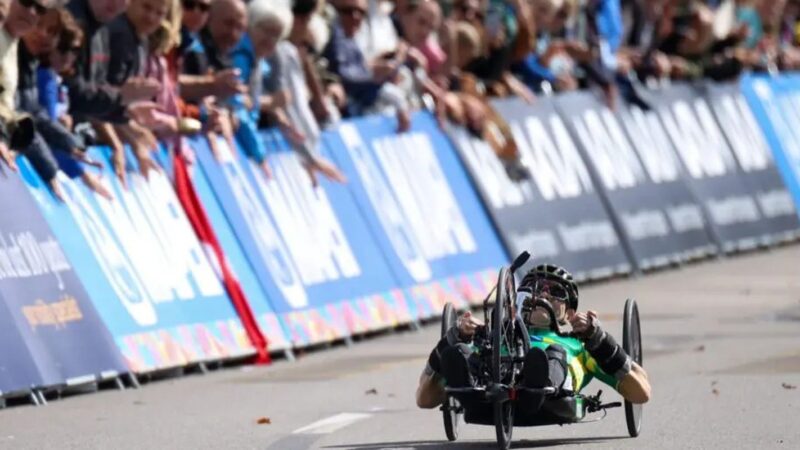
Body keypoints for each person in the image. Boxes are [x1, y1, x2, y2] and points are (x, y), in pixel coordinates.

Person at [416, 263, 651, 418]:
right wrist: (453, 338)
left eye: (555, 291)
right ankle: (470, 394)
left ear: (569, 314)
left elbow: (641, 392)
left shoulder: (581, 346)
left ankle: (536, 387)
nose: (543, 294)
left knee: (553, 354)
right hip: (489, 385)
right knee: (460, 354)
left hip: (550, 388)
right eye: (534, 288)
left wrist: (599, 339)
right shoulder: (492, 340)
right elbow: (424, 399)